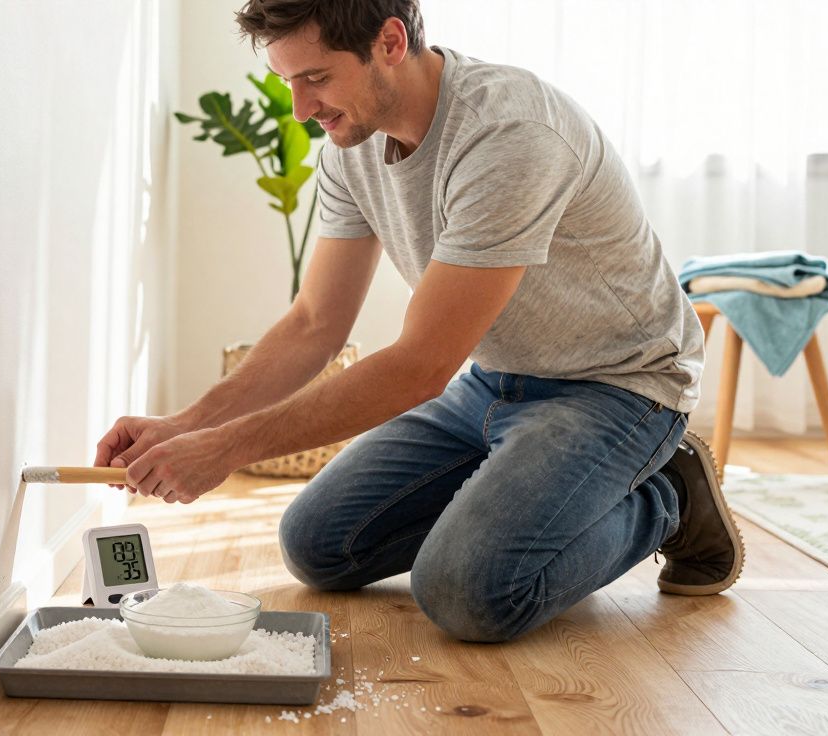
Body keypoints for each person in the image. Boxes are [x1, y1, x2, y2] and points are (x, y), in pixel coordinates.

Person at [93, 0, 744, 642]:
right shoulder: (351, 143)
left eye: (315, 77)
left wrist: (229, 449)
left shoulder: (510, 136)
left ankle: (670, 501)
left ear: (390, 42)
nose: (300, 108)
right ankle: (525, 487)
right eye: (287, 82)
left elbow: (420, 365)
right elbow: (315, 322)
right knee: (318, 547)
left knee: (470, 592)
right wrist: (187, 427)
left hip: (618, 387)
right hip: (494, 380)